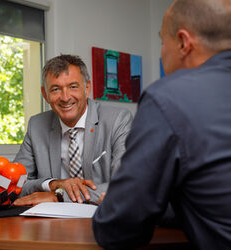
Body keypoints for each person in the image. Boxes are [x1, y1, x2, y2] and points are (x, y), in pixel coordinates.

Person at [92, 0, 231, 249]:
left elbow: (119, 229)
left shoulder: (168, 98)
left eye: (161, 41)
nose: (161, 52)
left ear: (183, 42)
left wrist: (115, 205)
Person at [12, 54, 133, 206]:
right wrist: (52, 185)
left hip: (101, 219)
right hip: (50, 223)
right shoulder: (37, 125)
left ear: (87, 88)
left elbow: (125, 184)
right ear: (45, 95)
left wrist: (58, 197)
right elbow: (15, 184)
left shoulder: (118, 120)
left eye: (73, 87)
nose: (65, 97)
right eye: (56, 89)